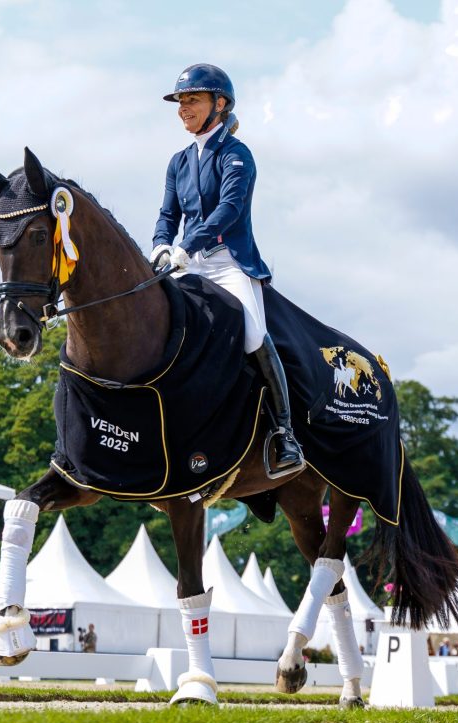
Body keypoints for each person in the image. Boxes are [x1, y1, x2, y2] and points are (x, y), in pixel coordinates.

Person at [151, 63, 302, 473]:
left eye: (192, 100)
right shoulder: (179, 162)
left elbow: (229, 210)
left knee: (252, 333)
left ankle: (284, 433)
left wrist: (188, 244)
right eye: (180, 101)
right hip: (187, 262)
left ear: (219, 104)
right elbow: (168, 214)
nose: (183, 108)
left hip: (228, 262)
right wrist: (162, 244)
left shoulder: (236, 155)